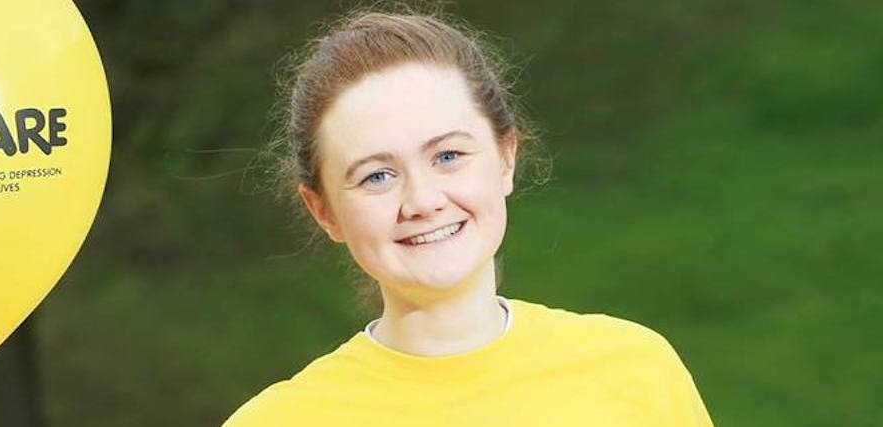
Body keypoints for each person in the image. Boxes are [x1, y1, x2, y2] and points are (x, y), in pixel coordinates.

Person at [224, 10, 713, 426]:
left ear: (506, 158)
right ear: (323, 210)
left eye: (448, 156)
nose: (422, 199)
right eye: (376, 176)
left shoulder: (636, 371)